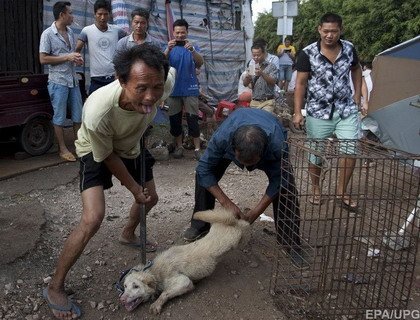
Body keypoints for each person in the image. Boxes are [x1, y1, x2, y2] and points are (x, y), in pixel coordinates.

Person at [42, 44, 175, 320]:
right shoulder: (98, 111)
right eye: (141, 88)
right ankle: (55, 287)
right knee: (93, 218)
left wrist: (141, 192)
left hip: (132, 144)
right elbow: (109, 157)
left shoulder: (163, 81)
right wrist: (133, 188)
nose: (151, 97)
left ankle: (127, 233)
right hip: (97, 149)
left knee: (152, 199)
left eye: (157, 87)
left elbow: (157, 88)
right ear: (121, 79)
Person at [183, 108, 308, 269]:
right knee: (204, 177)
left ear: (262, 154)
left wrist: (256, 212)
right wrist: (226, 203)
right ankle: (199, 226)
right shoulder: (222, 138)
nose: (247, 168)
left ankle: (290, 242)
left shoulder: (277, 144)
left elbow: (278, 180)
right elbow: (204, 169)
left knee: (287, 186)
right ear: (233, 149)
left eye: (253, 163)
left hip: (269, 137)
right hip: (235, 130)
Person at [293, 12, 362, 209]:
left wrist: (358, 94)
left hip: (345, 109)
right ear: (319, 30)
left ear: (341, 30)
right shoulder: (307, 53)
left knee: (350, 150)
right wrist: (298, 112)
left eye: (334, 31)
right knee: (316, 153)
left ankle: (341, 192)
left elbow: (356, 69)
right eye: (326, 31)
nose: (329, 35)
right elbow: (300, 84)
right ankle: (316, 187)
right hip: (318, 111)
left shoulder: (349, 49)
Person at [39, 1, 84, 163]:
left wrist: (75, 59)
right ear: (62, 15)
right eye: (70, 13)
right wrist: (67, 57)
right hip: (58, 82)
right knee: (59, 117)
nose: (72, 16)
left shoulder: (70, 31)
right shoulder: (48, 34)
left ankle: (79, 146)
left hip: (72, 80)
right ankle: (63, 149)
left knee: (78, 115)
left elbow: (70, 55)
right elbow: (43, 59)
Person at [164, 19, 204, 160]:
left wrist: (192, 51)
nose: (180, 35)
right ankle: (179, 147)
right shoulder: (169, 47)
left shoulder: (193, 47)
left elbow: (200, 63)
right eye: (177, 32)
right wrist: (168, 49)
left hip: (190, 88)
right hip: (173, 90)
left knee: (193, 120)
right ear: (173, 32)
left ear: (187, 32)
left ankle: (197, 148)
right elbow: (161, 63)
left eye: (183, 32)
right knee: (175, 121)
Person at [75, 0, 126, 94]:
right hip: (96, 78)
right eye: (99, 14)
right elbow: (77, 50)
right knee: (94, 106)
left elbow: (128, 43)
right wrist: (77, 59)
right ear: (95, 14)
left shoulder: (117, 30)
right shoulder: (87, 30)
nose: (102, 17)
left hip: (114, 77)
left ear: (110, 14)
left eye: (105, 14)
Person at [243, 42, 278, 114]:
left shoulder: (271, 66)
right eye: (254, 55)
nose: (256, 57)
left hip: (267, 101)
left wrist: (262, 73)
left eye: (258, 55)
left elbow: (273, 81)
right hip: (254, 102)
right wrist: (247, 77)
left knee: (265, 120)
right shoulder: (251, 66)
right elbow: (246, 84)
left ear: (264, 54)